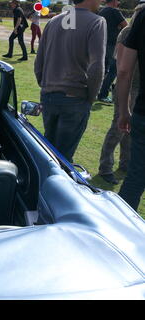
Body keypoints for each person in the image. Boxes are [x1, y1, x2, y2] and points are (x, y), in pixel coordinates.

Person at [34, 0, 106, 163]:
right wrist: (91, 97)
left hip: (49, 95)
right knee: (63, 160)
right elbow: (96, 66)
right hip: (75, 97)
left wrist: (45, 85)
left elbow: (39, 62)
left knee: (48, 154)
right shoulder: (97, 21)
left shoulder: (54, 21)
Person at [98, 4, 143, 185]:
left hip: (138, 87)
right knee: (118, 128)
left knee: (131, 130)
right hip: (128, 87)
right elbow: (121, 64)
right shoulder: (127, 33)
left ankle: (126, 163)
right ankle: (105, 167)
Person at [117, 4, 145, 211]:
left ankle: (118, 235)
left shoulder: (143, 15)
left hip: (143, 113)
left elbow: (124, 70)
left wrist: (124, 110)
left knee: (135, 178)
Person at [97, 0, 128, 103]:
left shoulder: (101, 11)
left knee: (104, 70)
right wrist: (118, 27)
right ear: (114, 1)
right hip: (112, 45)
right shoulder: (115, 11)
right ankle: (103, 94)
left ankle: (99, 91)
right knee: (113, 71)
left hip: (101, 43)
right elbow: (126, 27)